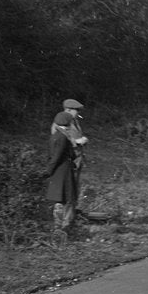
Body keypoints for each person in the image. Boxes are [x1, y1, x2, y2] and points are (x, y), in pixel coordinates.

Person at [45, 100, 86, 234]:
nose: (78, 113)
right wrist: (78, 142)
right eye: (76, 110)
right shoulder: (62, 123)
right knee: (66, 195)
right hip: (66, 165)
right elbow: (61, 146)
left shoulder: (72, 121)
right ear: (68, 110)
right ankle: (65, 225)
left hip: (73, 162)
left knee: (70, 194)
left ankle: (67, 223)